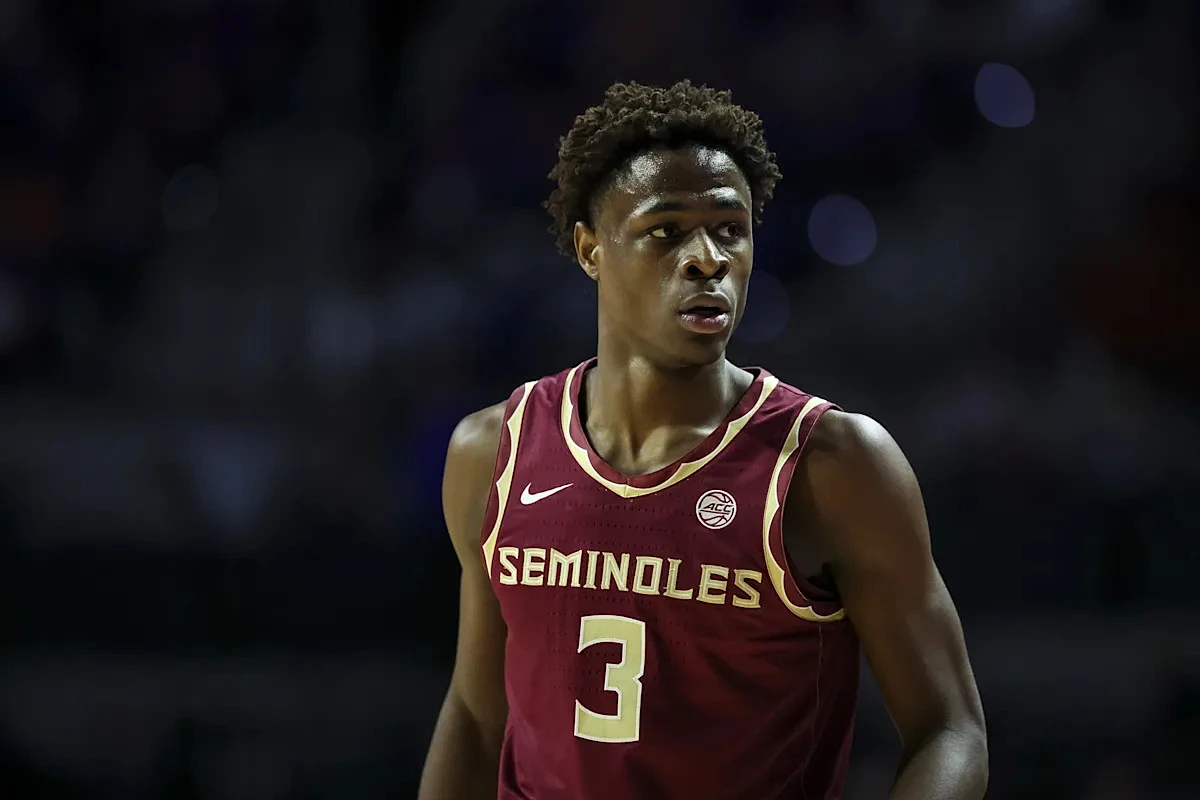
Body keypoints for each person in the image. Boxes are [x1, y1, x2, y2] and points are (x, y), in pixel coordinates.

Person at [418, 80, 987, 800]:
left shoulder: (832, 463)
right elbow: (476, 719)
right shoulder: (491, 451)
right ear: (591, 249)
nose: (707, 257)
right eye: (667, 230)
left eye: (730, 229)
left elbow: (950, 731)